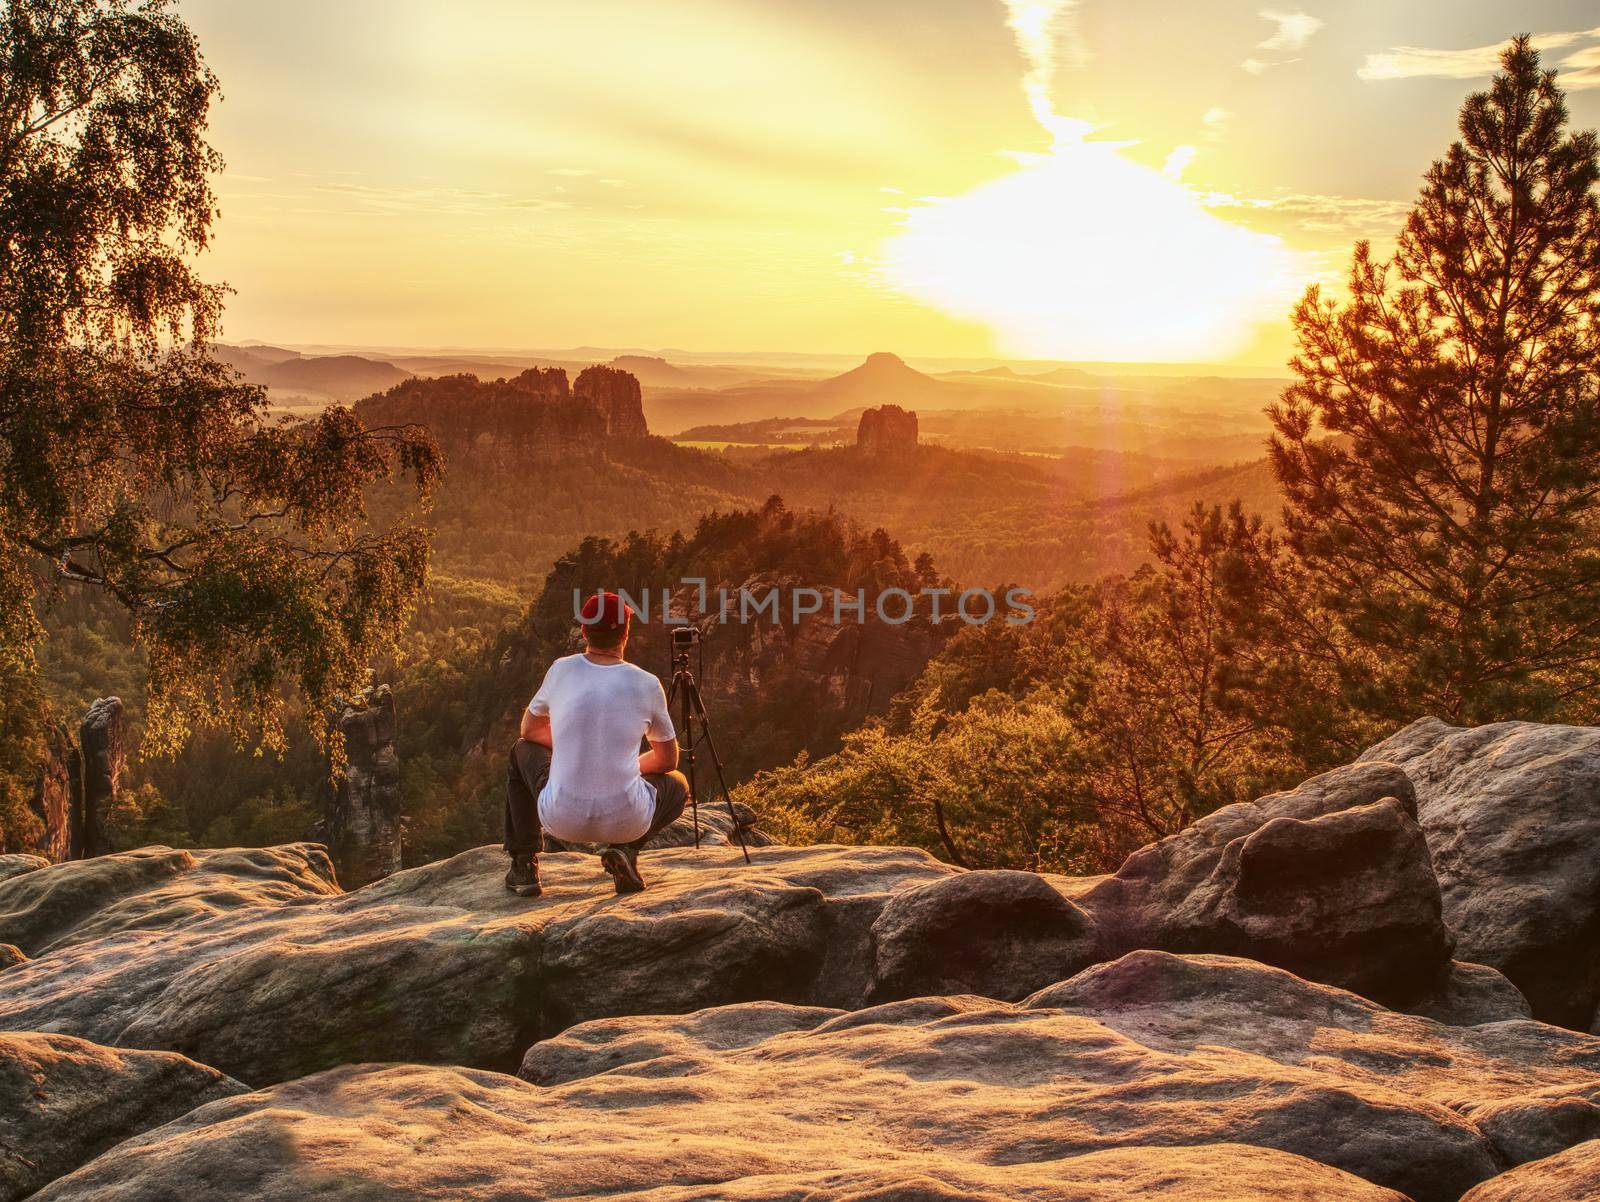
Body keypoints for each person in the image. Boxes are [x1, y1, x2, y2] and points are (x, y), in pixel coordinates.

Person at [504, 591, 688, 897]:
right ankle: (626, 851)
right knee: (678, 785)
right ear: (626, 633)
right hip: (626, 820)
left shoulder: (561, 669)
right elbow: (668, 760)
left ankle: (524, 865)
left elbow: (529, 731)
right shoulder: (647, 683)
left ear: (584, 631)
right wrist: (625, 766)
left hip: (560, 819)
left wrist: (572, 750)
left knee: (520, 751)